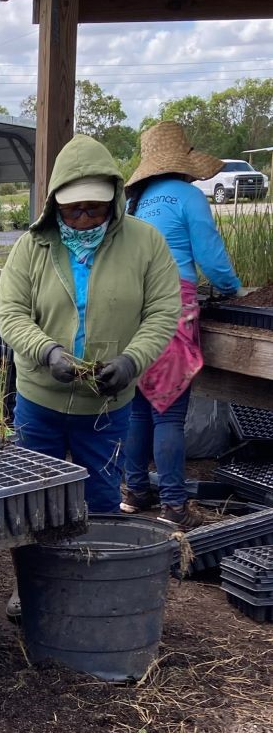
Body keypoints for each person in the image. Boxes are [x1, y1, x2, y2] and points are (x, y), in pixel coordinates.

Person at [0, 134, 181, 511]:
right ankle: (36, 569)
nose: (83, 220)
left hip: (105, 409)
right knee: (32, 504)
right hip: (39, 400)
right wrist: (47, 352)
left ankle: (92, 566)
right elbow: (11, 313)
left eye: (94, 209)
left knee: (100, 501)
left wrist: (131, 361)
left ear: (114, 201)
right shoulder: (32, 247)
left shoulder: (146, 243)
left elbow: (163, 312)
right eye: (73, 210)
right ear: (54, 206)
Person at [121, 122, 246, 529]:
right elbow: (210, 258)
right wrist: (234, 290)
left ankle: (134, 491)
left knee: (140, 407)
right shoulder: (189, 196)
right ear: (184, 164)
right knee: (169, 412)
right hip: (171, 305)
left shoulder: (134, 204)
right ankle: (174, 506)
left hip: (131, 307)